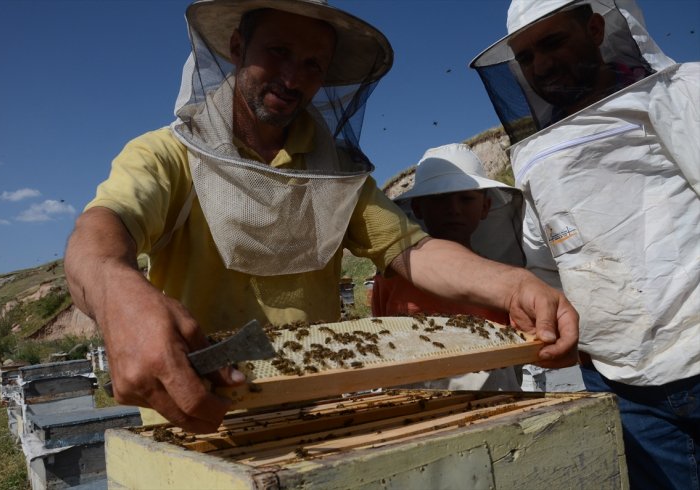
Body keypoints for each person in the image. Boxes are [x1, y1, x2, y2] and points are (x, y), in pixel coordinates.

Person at [65, 0, 578, 435]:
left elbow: (412, 250)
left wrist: (513, 286)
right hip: (200, 411)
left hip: (321, 408)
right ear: (237, 49)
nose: (293, 78)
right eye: (279, 53)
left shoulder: (335, 175)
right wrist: (116, 292)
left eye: (313, 64)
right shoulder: (164, 156)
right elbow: (101, 234)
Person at [470, 1, 699, 488]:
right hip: (621, 384)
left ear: (595, 28)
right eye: (526, 57)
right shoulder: (533, 154)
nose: (541, 66)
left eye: (552, 42)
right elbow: (547, 263)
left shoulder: (678, 92)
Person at [372, 143, 525, 391]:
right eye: (440, 199)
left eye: (466, 199)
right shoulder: (391, 280)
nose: (454, 209)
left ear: (485, 207)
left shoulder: (500, 280)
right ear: (419, 208)